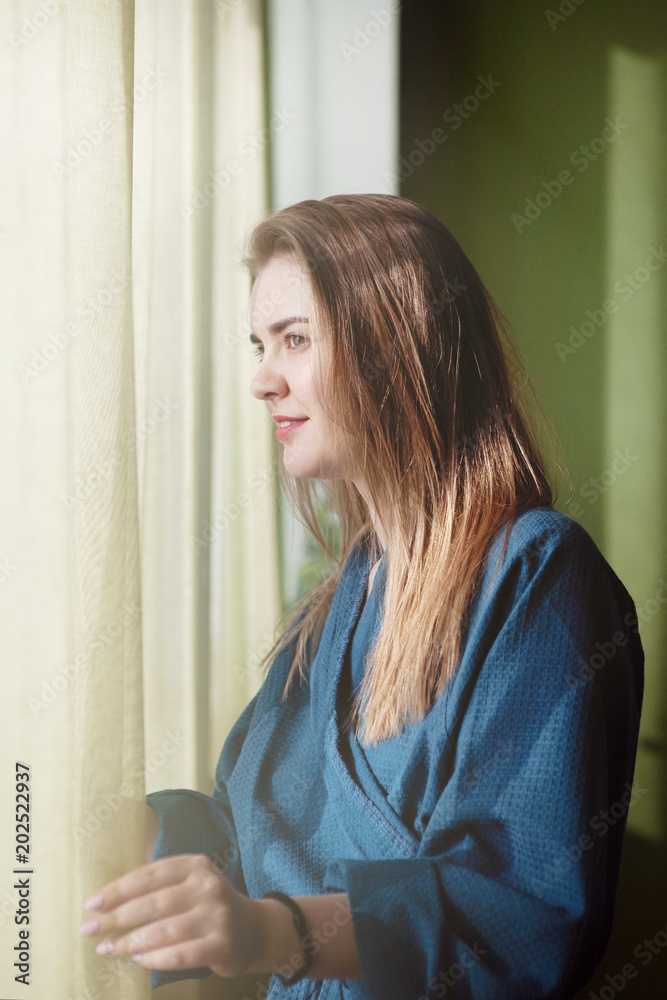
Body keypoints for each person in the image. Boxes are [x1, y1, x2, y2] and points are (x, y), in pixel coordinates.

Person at [79, 194, 644, 999]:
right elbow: (248, 840)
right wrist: (90, 818)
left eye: (294, 339)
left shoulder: (539, 574)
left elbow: (526, 912)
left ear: (396, 347)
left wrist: (276, 932)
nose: (261, 380)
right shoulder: (341, 598)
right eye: (259, 345)